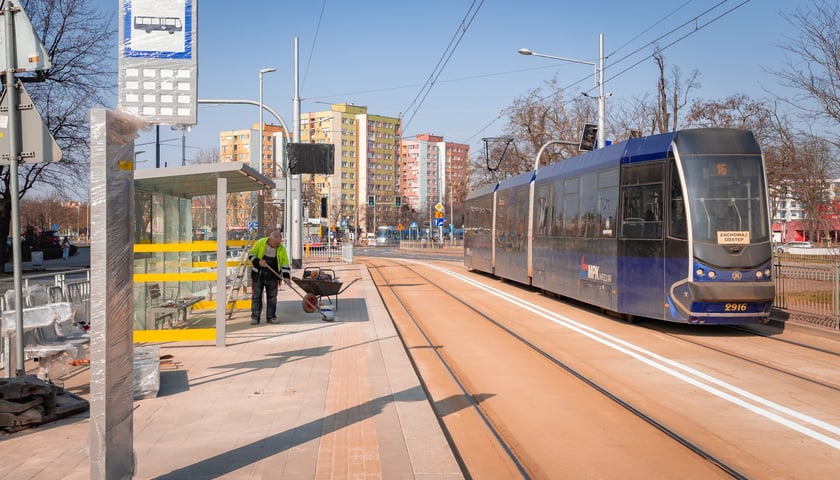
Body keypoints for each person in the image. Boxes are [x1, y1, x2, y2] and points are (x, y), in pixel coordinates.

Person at [247, 230, 292, 325]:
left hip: (273, 276)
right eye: (276, 243)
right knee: (256, 297)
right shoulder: (260, 243)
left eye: (279, 243)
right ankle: (255, 317)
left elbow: (285, 264)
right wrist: (258, 262)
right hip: (258, 275)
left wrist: (287, 277)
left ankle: (271, 317)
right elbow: (251, 254)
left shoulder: (281, 249)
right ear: (271, 239)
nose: (277, 245)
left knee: (272, 297)